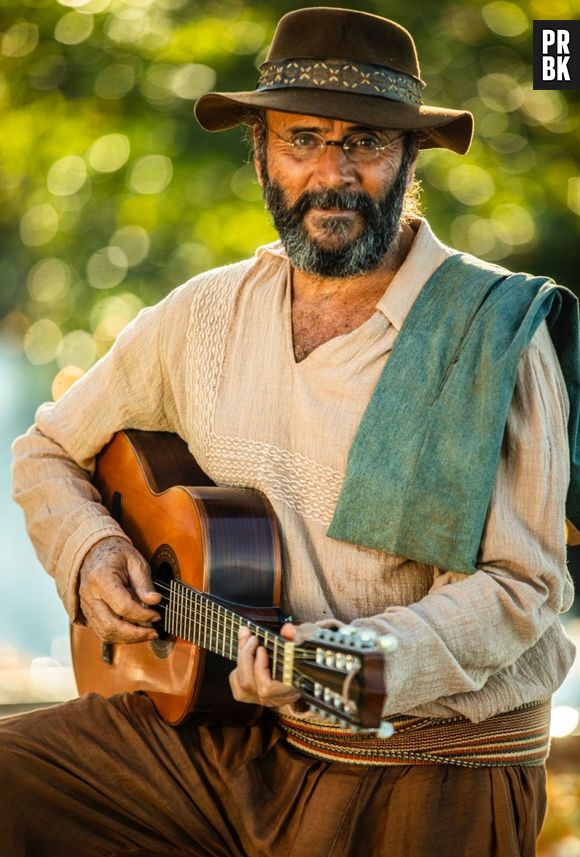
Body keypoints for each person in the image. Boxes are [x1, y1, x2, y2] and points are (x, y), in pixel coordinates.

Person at [4, 7, 579, 857]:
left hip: (426, 770)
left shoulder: (491, 333)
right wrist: (90, 551)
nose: (331, 174)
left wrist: (358, 656)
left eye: (366, 144)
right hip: (225, 738)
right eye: (303, 139)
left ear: (410, 159)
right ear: (261, 150)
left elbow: (523, 588)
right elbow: (47, 449)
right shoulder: (205, 313)